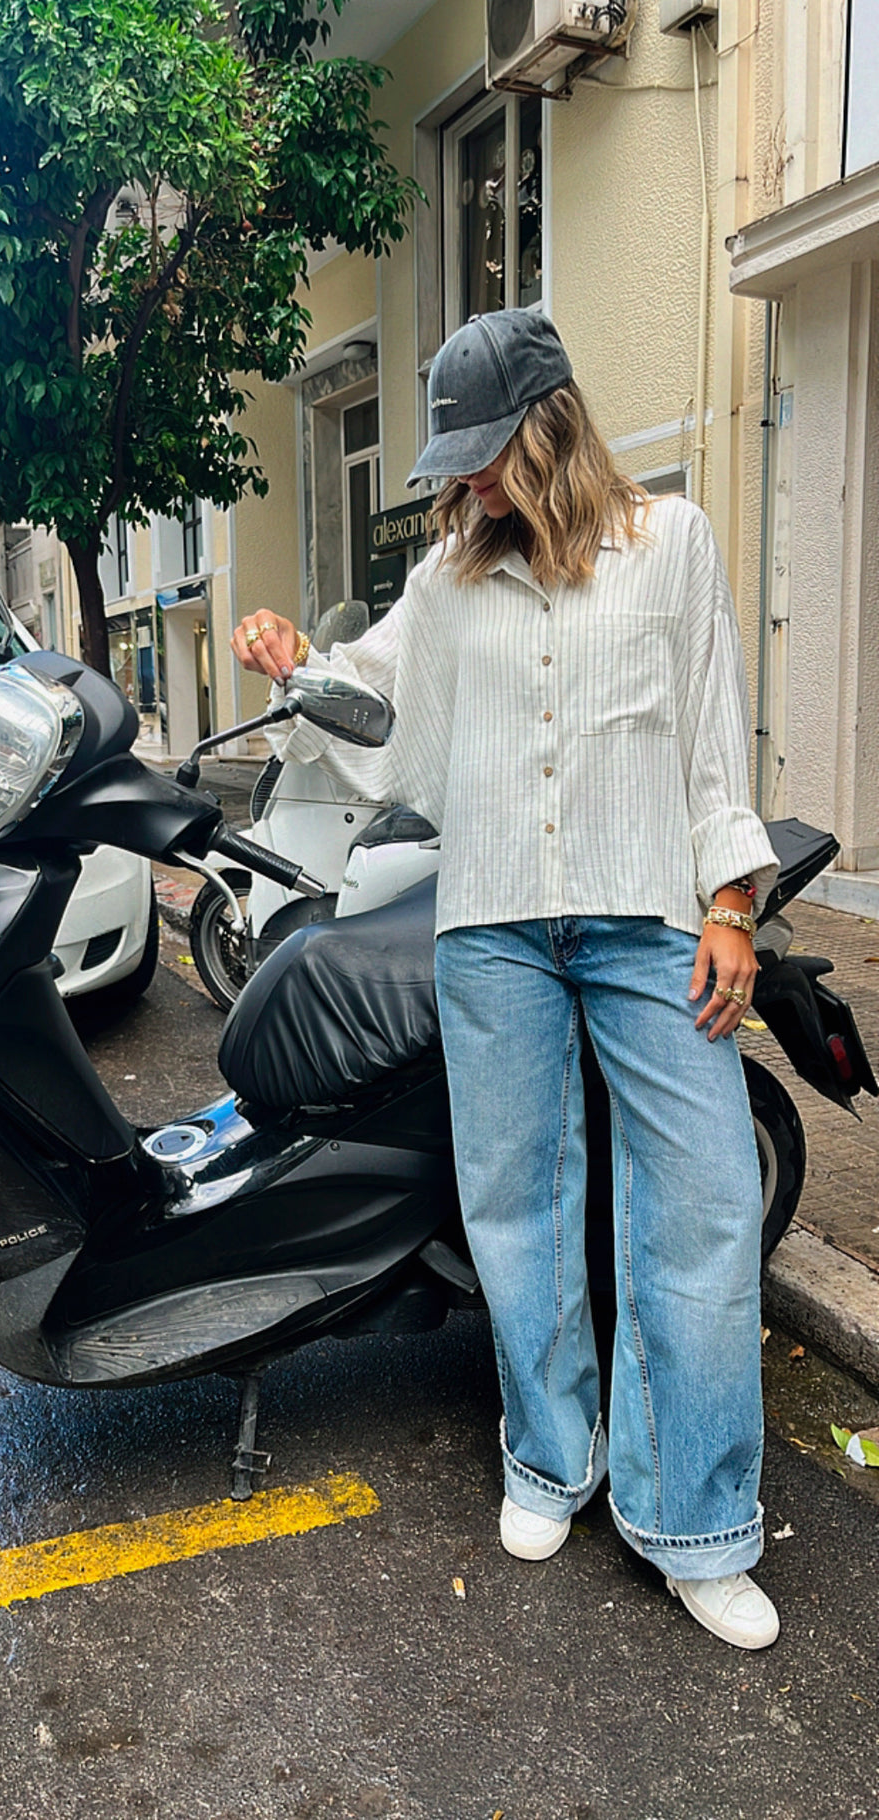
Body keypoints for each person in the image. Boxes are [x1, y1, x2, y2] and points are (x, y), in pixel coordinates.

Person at [232, 307, 782, 1652]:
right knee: (522, 1210)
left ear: (550, 426)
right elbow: (391, 725)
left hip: (651, 922)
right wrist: (299, 667)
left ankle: (696, 1524)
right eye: (456, 463)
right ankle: (550, 1457)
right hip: (491, 930)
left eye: (485, 455)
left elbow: (713, 739)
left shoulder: (674, 548)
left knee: (702, 1210)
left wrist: (729, 905)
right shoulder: (446, 582)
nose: (467, 483)